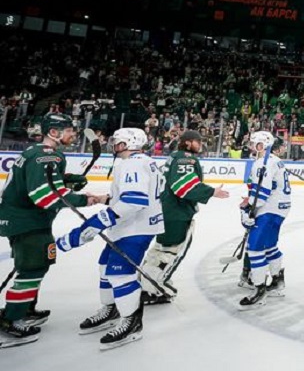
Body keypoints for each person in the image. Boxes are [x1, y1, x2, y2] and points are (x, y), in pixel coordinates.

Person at [56, 127, 164, 350]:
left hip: (135, 228)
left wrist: (100, 220)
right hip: (130, 225)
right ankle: (112, 309)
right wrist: (105, 199)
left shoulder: (133, 164)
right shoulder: (141, 161)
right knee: (105, 268)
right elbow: (131, 195)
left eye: (117, 141)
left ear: (127, 143)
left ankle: (131, 322)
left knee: (120, 274)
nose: (113, 144)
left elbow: (134, 201)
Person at [0, 113, 102, 348]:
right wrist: (84, 199)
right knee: (33, 269)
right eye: (68, 130)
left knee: (33, 265)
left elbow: (44, 181)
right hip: (28, 222)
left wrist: (67, 180)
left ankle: (25, 309)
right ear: (54, 133)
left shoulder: (38, 152)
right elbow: (43, 196)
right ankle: (11, 319)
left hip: (22, 220)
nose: (73, 134)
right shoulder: (45, 156)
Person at [140, 130, 229, 305]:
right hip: (176, 212)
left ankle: (145, 285)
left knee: (159, 250)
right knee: (169, 252)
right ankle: (155, 289)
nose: (200, 144)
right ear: (187, 142)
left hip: (165, 210)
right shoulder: (186, 159)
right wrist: (211, 192)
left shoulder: (174, 156)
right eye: (197, 141)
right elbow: (182, 186)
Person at [238, 132, 290, 307]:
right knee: (270, 246)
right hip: (280, 208)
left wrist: (248, 209)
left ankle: (259, 290)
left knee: (254, 248)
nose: (252, 146)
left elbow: (262, 193)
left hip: (269, 209)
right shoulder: (274, 160)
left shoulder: (263, 162)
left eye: (255, 143)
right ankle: (277, 282)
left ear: (262, 145)